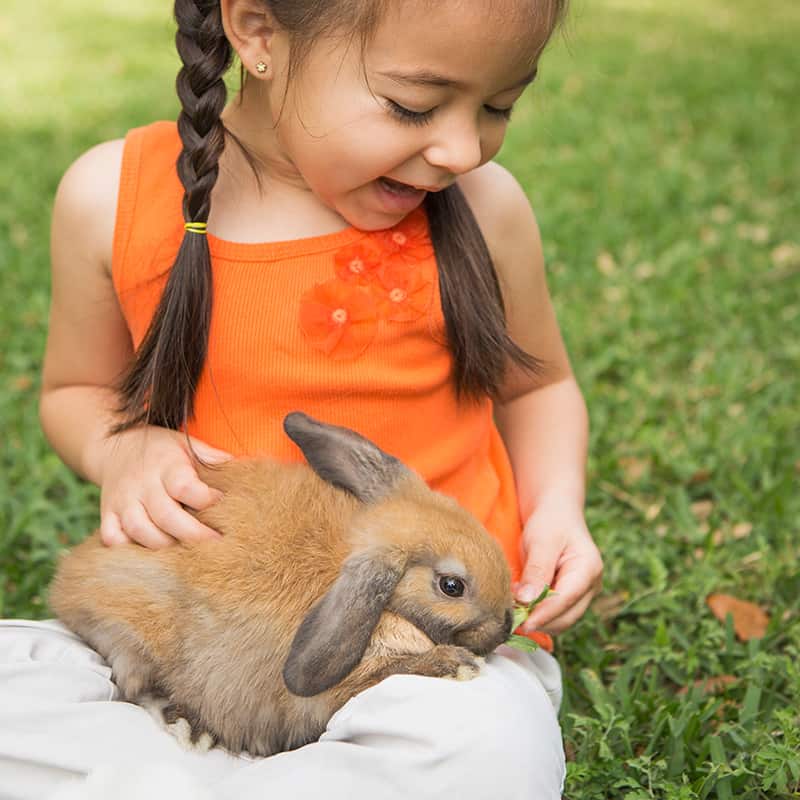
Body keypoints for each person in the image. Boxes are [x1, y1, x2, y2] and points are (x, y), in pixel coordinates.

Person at [0, 0, 603, 797]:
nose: (462, 149)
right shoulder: (112, 195)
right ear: (256, 33)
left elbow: (541, 386)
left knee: (486, 748)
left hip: (415, 664)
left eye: (499, 106)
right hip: (198, 635)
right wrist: (121, 446)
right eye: (413, 106)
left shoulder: (485, 209)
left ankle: (164, 778)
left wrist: (556, 510)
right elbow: (76, 391)